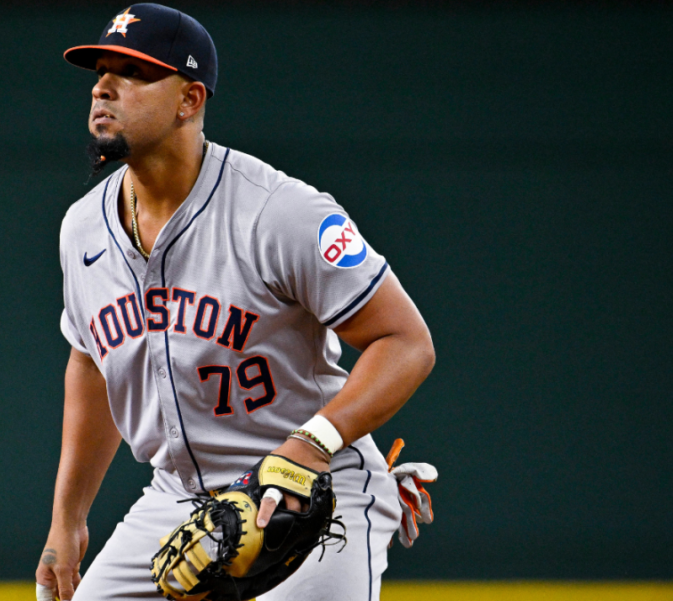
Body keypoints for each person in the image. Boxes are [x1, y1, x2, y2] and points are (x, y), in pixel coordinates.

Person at [36, 4, 435, 600]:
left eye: (135, 72)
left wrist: (313, 444)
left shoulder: (279, 212)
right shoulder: (81, 229)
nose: (104, 87)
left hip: (313, 488)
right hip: (178, 498)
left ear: (189, 100)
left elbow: (406, 342)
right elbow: (93, 366)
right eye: (100, 71)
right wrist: (67, 520)